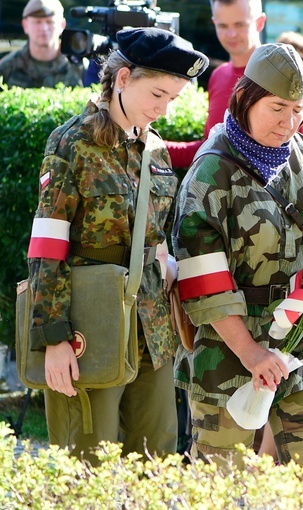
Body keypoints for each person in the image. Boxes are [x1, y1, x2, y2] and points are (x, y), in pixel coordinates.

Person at [172, 43, 303, 480]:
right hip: (228, 349)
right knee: (219, 479)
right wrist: (250, 352)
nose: (289, 123)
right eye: (277, 108)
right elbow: (202, 279)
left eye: (299, 110)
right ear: (245, 98)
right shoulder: (211, 173)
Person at [25, 27, 208, 464]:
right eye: (158, 94)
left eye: (174, 100)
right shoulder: (71, 143)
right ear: (122, 79)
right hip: (89, 326)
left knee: (155, 457)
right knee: (90, 459)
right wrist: (54, 340)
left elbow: (158, 234)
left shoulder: (156, 151)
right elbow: (47, 248)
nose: (164, 109)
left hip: (152, 329)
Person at [164, 0, 303, 169]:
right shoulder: (219, 75)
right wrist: (149, 147)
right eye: (223, 26)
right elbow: (211, 149)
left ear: (260, 23)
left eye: (240, 25)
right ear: (214, 23)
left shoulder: (285, 77)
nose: (231, 34)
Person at [0, 0, 84, 88]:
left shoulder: (80, 66)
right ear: (25, 25)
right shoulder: (7, 67)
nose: (44, 28)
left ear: (62, 25)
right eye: (37, 22)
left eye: (50, 22)